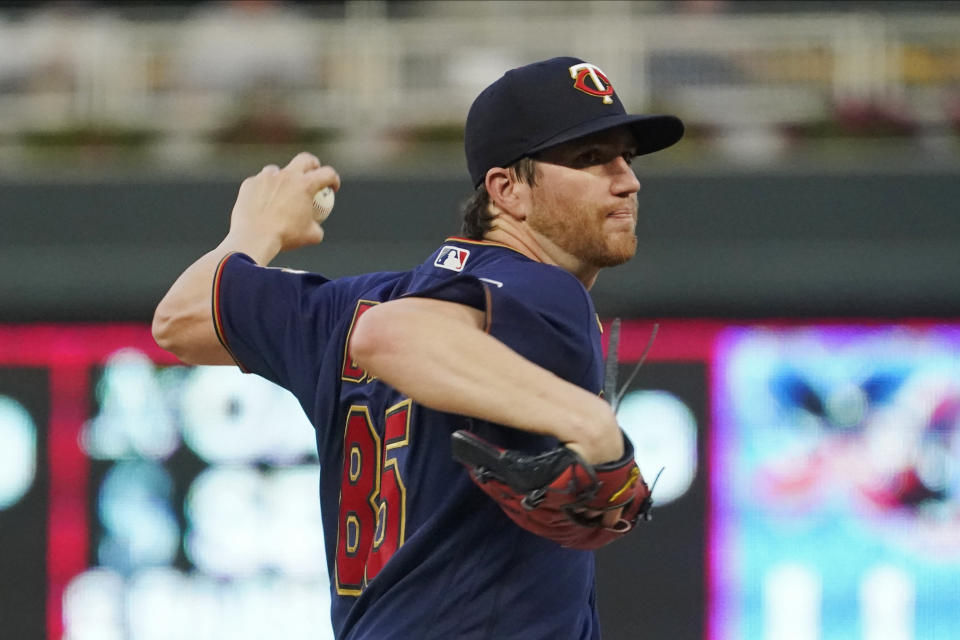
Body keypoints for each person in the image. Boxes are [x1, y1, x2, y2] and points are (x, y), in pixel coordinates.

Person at [153, 56, 683, 640]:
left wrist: (253, 234)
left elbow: (180, 320)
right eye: (589, 159)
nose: (627, 180)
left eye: (625, 158)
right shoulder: (544, 290)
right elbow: (388, 336)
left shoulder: (348, 306)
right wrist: (590, 422)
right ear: (508, 191)